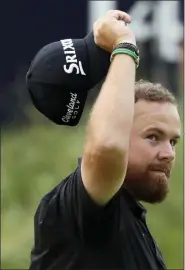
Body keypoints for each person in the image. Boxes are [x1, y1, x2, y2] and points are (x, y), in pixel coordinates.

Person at [29, 10, 181, 270]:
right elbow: (107, 147)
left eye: (173, 142)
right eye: (153, 137)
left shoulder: (135, 228)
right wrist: (124, 45)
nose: (168, 153)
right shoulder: (81, 210)